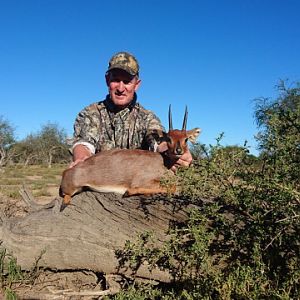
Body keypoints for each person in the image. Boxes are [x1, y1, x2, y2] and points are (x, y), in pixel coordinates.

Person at [70, 51, 192, 171]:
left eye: (127, 81)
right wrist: (82, 159)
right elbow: (84, 143)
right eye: (116, 80)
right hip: (101, 178)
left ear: (137, 84)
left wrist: (174, 152)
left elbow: (158, 141)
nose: (121, 88)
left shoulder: (148, 117)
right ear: (107, 80)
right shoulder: (91, 113)